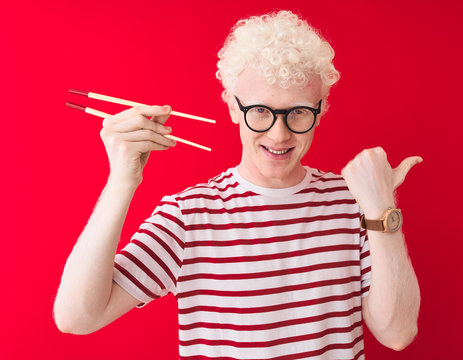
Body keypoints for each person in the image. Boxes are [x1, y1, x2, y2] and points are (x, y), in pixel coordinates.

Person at [54, 10, 421, 359]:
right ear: (232, 105)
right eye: (260, 110)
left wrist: (381, 210)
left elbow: (397, 333)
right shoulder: (189, 215)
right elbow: (77, 317)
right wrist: (121, 181)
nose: (279, 135)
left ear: (321, 108)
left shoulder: (355, 203)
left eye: (298, 112)